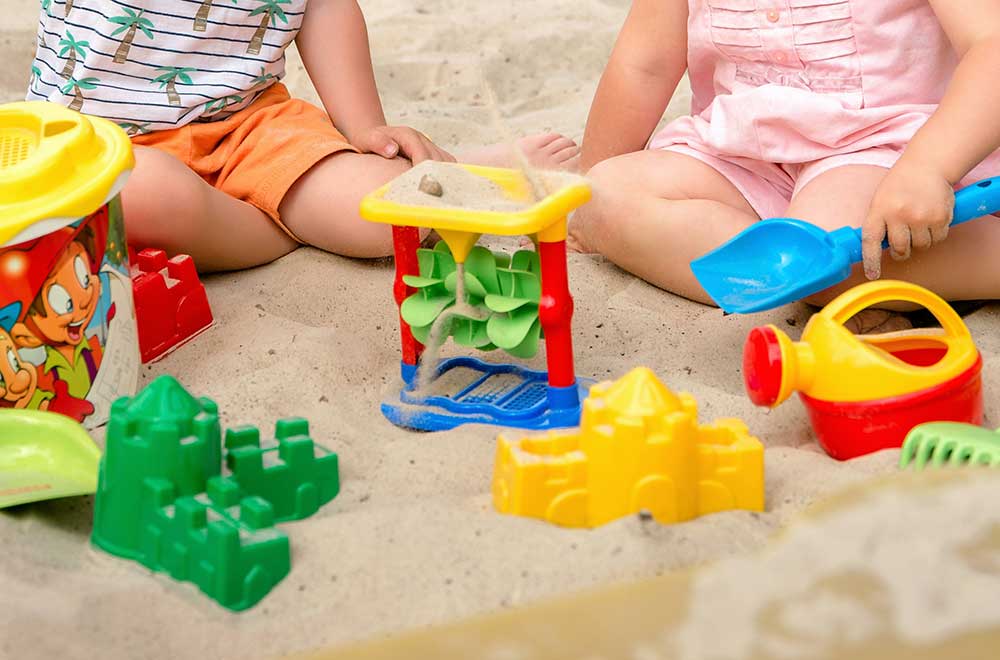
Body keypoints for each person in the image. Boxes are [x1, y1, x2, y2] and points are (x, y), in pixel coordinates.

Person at [28, 1, 579, 272]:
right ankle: (278, 227)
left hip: (253, 123)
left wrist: (365, 129)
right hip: (100, 137)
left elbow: (321, 7)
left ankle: (446, 169)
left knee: (385, 221)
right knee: (141, 194)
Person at [569, 0, 1000, 321]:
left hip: (885, 149)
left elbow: (990, 45)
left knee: (830, 244)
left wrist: (929, 167)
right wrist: (579, 203)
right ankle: (808, 284)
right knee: (603, 194)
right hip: (745, 148)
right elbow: (644, 64)